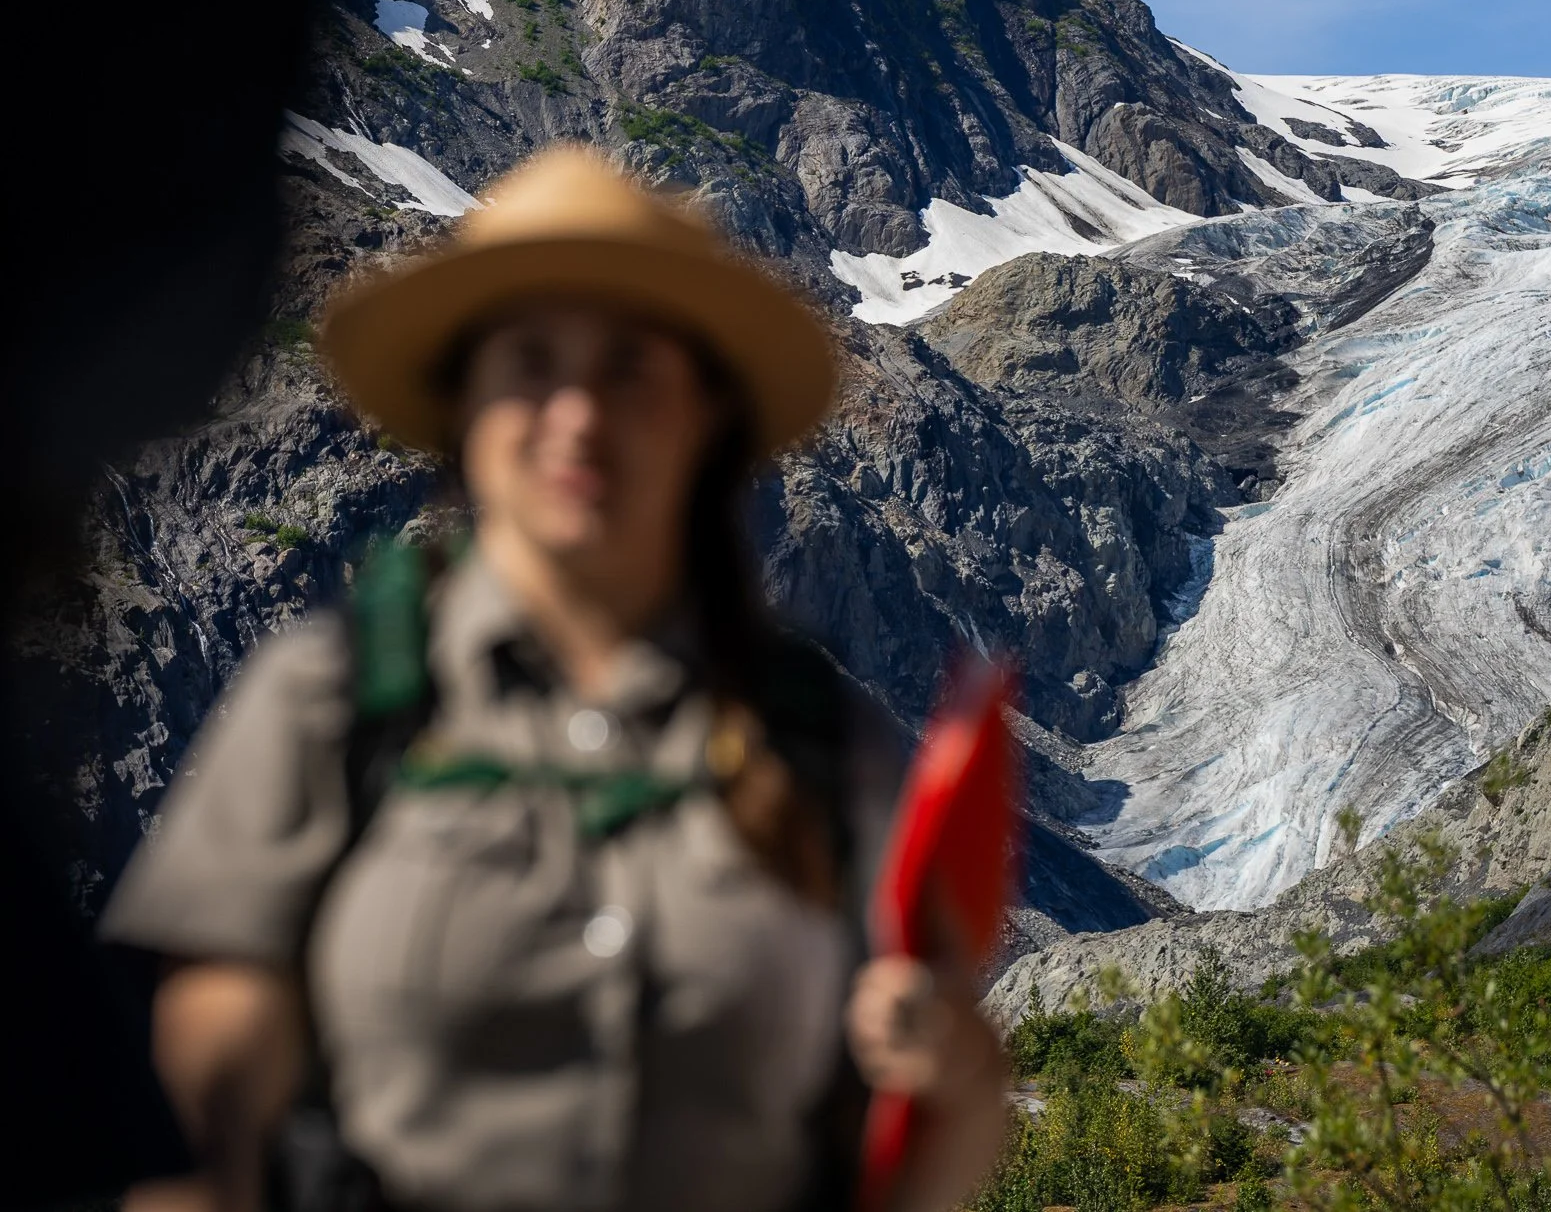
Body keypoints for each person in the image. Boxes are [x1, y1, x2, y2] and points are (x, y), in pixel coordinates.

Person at [100, 147, 1009, 1212]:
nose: (577, 414)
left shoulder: (816, 738)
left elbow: (915, 1149)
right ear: (462, 408)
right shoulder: (328, 702)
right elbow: (198, 1120)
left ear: (703, 412)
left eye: (628, 365)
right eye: (531, 361)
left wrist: (953, 1076)